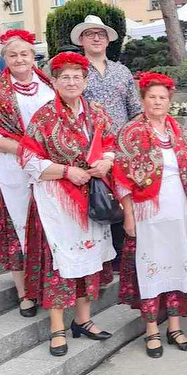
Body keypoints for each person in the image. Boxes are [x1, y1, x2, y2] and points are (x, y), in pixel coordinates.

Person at [20, 52, 117, 357]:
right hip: (57, 203)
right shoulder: (44, 116)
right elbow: (27, 159)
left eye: (77, 77)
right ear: (54, 81)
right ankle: (57, 327)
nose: (72, 82)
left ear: (86, 81)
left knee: (89, 259)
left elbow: (113, 145)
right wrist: (65, 170)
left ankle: (84, 320)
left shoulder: (97, 113)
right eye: (65, 77)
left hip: (90, 199)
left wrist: (105, 162)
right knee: (58, 264)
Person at [113, 72, 187, 358]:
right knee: (150, 264)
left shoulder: (178, 131)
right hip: (145, 208)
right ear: (142, 100)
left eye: (162, 97)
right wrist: (128, 214)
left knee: (176, 263)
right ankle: (151, 329)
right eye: (151, 97)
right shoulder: (131, 132)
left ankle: (174, 327)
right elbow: (121, 177)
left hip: (175, 204)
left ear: (169, 101)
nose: (157, 102)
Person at [0, 29, 55, 318]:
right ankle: (24, 293)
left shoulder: (48, 86)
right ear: (4, 58)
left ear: (33, 58)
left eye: (24, 54)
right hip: (8, 168)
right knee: (16, 230)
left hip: (45, 168)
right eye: (13, 54)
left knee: (47, 226)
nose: (19, 59)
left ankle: (48, 285)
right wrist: (26, 149)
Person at [70, 15, 142, 270]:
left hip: (121, 151)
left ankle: (123, 259)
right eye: (90, 34)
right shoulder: (74, 72)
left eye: (100, 34)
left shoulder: (121, 71)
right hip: (88, 152)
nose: (96, 38)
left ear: (108, 39)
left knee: (123, 202)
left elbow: (135, 110)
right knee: (97, 202)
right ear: (82, 40)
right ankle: (98, 262)